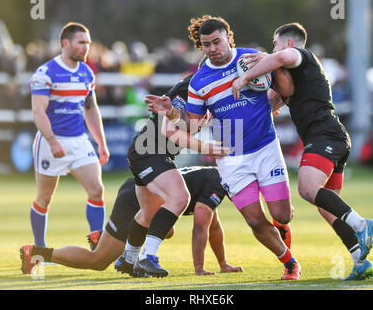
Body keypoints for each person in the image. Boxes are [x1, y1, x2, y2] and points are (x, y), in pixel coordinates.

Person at [146, 15, 300, 280]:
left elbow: (285, 85)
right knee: (253, 220)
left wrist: (278, 96)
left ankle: (280, 224)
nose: (212, 49)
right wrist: (171, 112)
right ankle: (290, 263)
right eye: (206, 45)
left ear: (228, 37)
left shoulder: (252, 57)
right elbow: (191, 126)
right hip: (230, 158)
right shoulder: (198, 81)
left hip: (266, 148)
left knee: (282, 214)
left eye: (216, 41)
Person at [232, 22, 373, 280]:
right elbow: (274, 99)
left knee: (307, 189)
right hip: (331, 136)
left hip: (325, 135)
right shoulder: (295, 77)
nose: (273, 47)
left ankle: (360, 224)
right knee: (327, 206)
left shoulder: (302, 55)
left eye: (275, 42)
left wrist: (247, 74)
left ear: (288, 43)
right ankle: (360, 261)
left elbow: (282, 56)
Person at [20, 166, 243, 276]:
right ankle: (37, 253)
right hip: (136, 198)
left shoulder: (214, 175)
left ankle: (104, 239)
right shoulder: (218, 183)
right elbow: (200, 227)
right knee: (98, 262)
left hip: (140, 190)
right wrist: (199, 268)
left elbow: (213, 225)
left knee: (169, 231)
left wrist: (223, 264)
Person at [117, 68, 231, 278]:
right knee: (180, 198)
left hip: (150, 152)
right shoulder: (187, 89)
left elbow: (185, 124)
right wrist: (206, 148)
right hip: (150, 151)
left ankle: (128, 259)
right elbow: (172, 132)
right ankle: (147, 258)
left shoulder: (209, 93)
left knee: (148, 213)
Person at [25, 22, 110, 248]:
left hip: (79, 141)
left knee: (97, 189)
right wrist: (52, 140)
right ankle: (40, 249)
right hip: (50, 141)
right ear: (65, 43)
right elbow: (38, 110)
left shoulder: (86, 72)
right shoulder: (46, 72)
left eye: (88, 43)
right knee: (45, 198)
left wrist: (101, 143)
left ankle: (96, 243)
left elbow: (91, 109)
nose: (86, 48)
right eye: (81, 42)